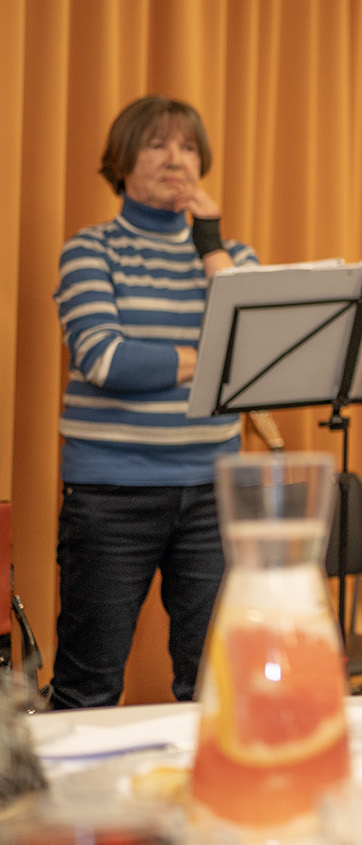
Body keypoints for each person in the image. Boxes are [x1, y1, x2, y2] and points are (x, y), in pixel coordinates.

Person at [50, 96, 259, 709]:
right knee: (88, 685)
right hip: (111, 498)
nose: (176, 159)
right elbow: (108, 361)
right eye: (158, 144)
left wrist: (211, 244)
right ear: (123, 160)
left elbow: (255, 355)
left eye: (189, 146)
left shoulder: (232, 258)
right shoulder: (91, 250)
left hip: (211, 496)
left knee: (213, 685)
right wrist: (209, 355)